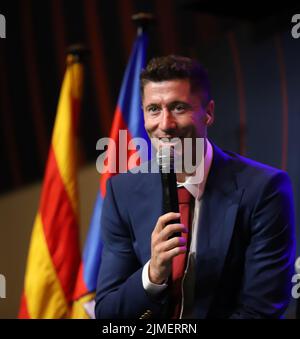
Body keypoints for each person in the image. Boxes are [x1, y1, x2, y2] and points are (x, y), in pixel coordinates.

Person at [95, 55, 296, 319]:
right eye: (154, 109)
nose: (165, 124)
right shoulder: (122, 193)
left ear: (209, 112)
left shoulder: (264, 189)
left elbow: (261, 310)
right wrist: (153, 274)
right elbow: (109, 315)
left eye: (178, 107)